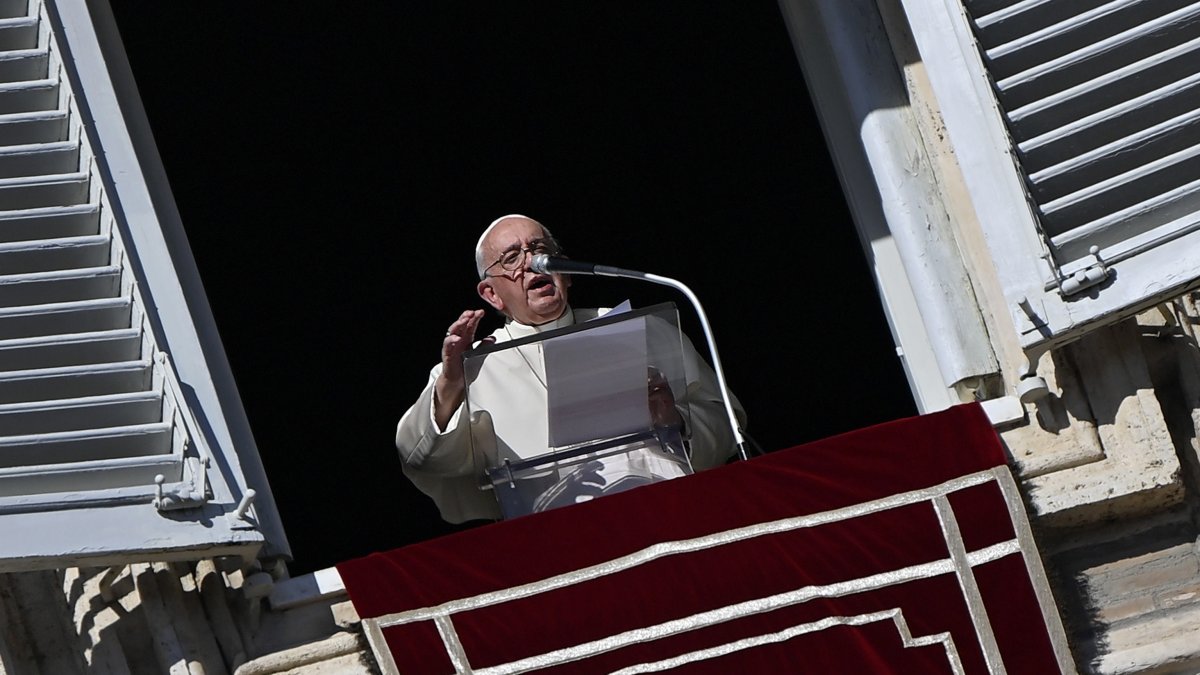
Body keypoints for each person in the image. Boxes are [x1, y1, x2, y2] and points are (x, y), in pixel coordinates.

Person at [396, 214, 746, 522]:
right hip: (559, 536)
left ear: (564, 270)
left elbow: (729, 422)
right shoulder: (473, 367)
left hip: (668, 510)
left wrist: (676, 421)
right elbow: (423, 461)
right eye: (512, 257)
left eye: (539, 248)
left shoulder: (643, 329)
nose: (532, 261)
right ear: (491, 294)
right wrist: (450, 384)